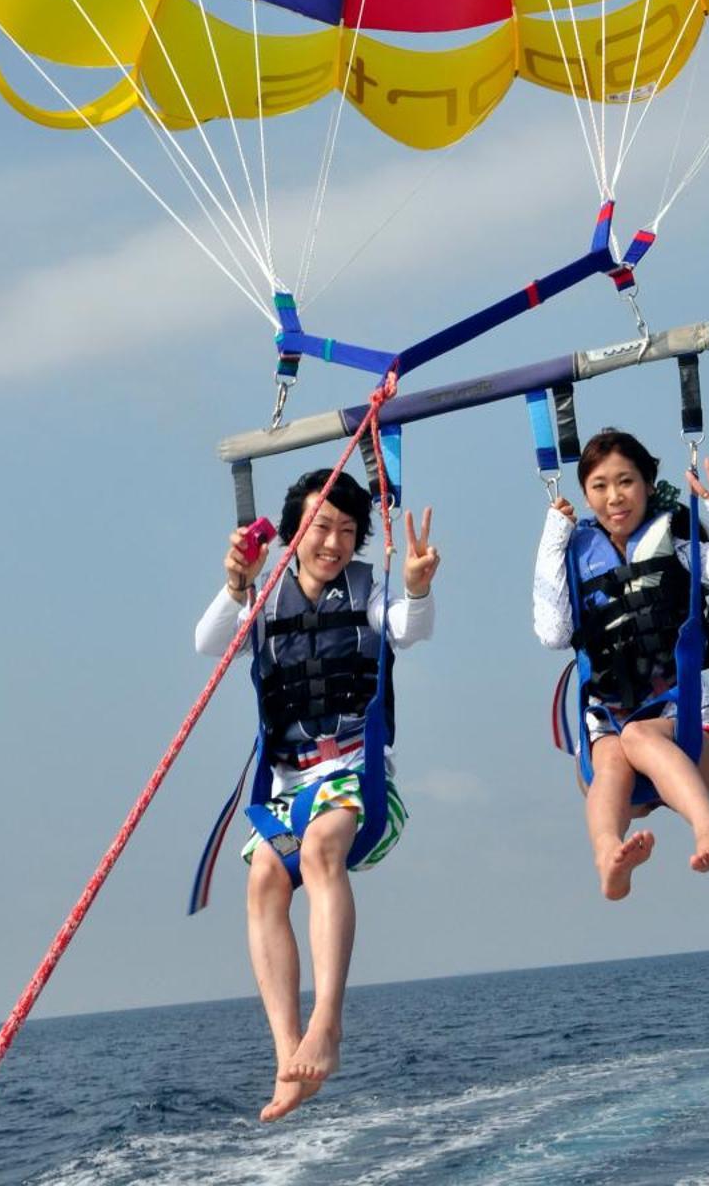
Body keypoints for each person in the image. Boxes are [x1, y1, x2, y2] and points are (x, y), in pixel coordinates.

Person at [195, 467, 440, 1122]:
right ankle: (287, 1057)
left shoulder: (367, 591)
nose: (332, 542)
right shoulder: (263, 599)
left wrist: (415, 589)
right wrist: (236, 583)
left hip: (357, 782)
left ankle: (326, 1023)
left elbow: (410, 629)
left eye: (346, 531)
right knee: (264, 880)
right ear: (293, 532)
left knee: (321, 852)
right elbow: (208, 643)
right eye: (319, 527)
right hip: (286, 787)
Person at [533, 429, 709, 901]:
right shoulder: (574, 555)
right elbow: (552, 632)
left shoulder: (679, 550)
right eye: (600, 486)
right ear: (585, 494)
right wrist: (551, 541)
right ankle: (609, 855)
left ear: (647, 484)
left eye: (625, 481)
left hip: (688, 730)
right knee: (612, 749)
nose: (614, 497)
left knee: (638, 735)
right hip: (612, 726)